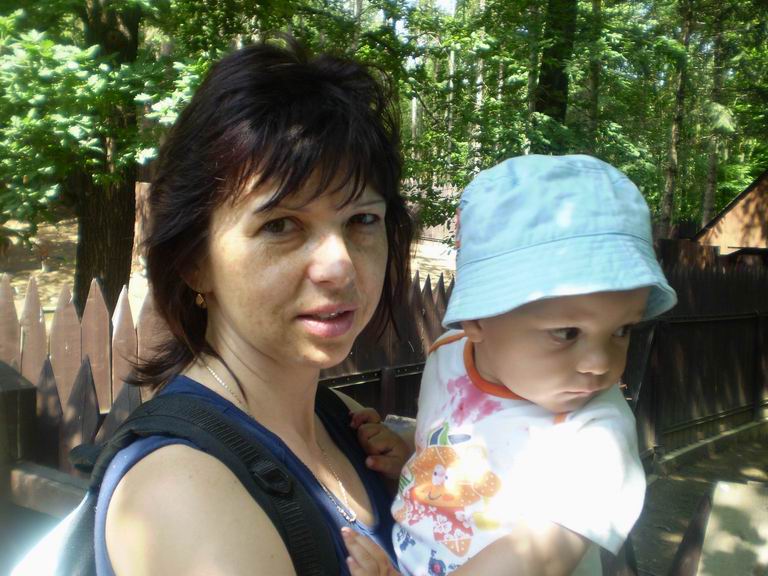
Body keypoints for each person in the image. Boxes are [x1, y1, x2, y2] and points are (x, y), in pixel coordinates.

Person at [94, 39, 414, 575]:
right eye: (281, 225)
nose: (339, 266)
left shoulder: (341, 420)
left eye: (362, 220)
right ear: (193, 261)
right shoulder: (183, 493)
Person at [343, 154, 678, 575]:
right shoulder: (448, 355)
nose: (600, 364)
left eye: (622, 330)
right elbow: (474, 444)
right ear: (477, 319)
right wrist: (412, 451)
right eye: (567, 332)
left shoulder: (597, 434)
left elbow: (538, 557)